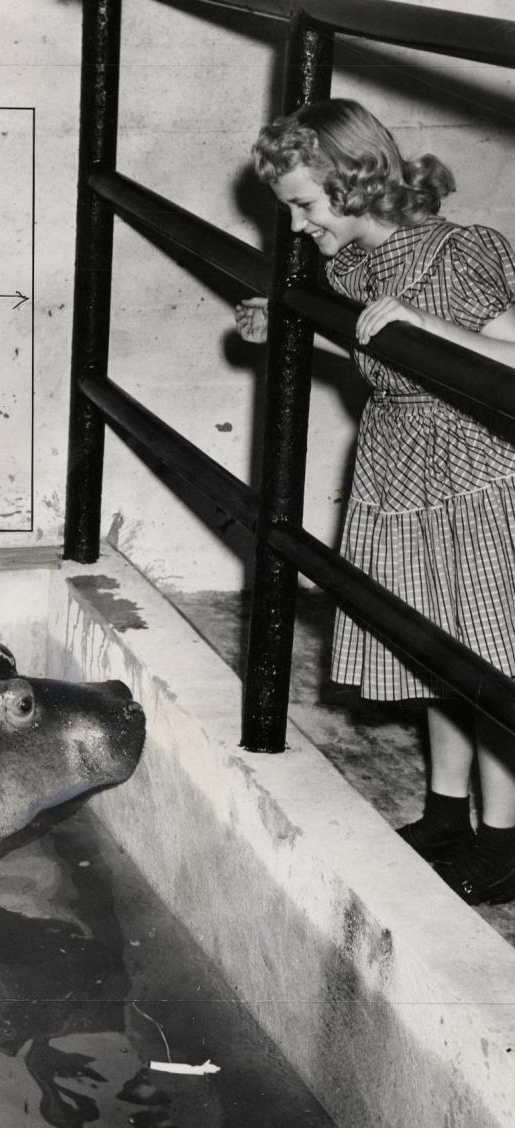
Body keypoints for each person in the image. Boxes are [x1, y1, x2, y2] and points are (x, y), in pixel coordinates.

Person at [235, 98, 515, 905]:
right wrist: (286, 317)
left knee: (485, 652)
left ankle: (504, 837)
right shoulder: (355, 266)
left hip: (474, 466)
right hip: (398, 467)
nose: (297, 227)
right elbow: (365, 328)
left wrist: (428, 326)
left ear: (355, 186)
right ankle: (445, 811)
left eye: (306, 205)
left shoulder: (458, 253)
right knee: (433, 643)